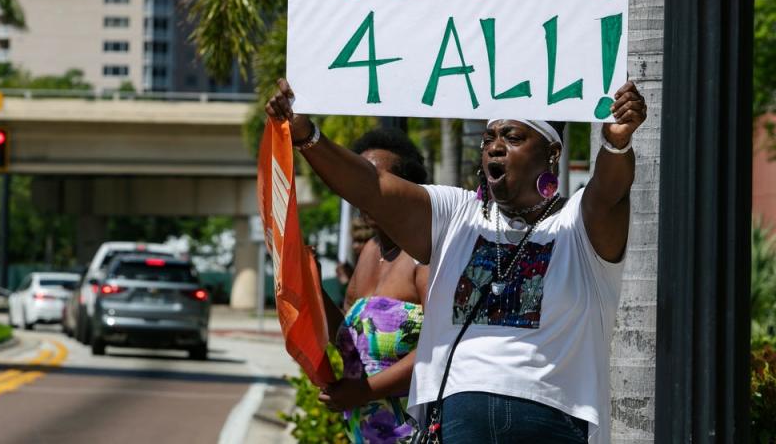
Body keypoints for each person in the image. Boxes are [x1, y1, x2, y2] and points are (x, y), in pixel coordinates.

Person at [265, 78, 647, 444]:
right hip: (458, 418)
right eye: (489, 138)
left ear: (552, 153)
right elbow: (373, 186)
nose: (495, 147)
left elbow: (610, 192)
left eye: (512, 137)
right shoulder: (457, 214)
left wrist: (615, 143)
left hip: (552, 419)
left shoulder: (578, 222)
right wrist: (307, 136)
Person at [309, 128, 431, 444]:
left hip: (416, 431)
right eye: (357, 180)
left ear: (406, 188)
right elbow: (348, 341)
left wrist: (362, 392)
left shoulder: (426, 255)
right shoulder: (369, 252)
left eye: (373, 181)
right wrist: (313, 285)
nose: (362, 191)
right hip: (364, 432)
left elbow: (439, 348)